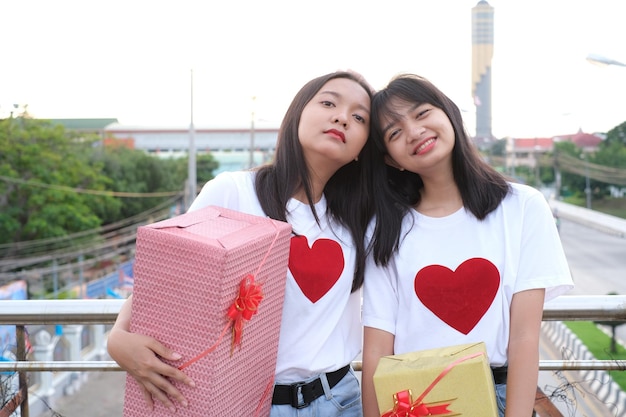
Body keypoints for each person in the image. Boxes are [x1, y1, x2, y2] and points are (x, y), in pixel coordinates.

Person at [108, 70, 375, 416]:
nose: (342, 117)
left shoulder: (363, 217)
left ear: (362, 149)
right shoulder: (234, 192)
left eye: (359, 117)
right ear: (296, 115)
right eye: (328, 103)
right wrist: (117, 336)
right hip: (249, 404)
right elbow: (169, 275)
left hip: (340, 400)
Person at [359, 74, 574, 417]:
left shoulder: (521, 207)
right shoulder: (385, 230)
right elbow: (377, 350)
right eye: (395, 132)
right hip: (414, 403)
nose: (414, 132)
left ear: (450, 116)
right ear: (391, 159)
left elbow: (523, 339)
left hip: (501, 398)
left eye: (421, 113)